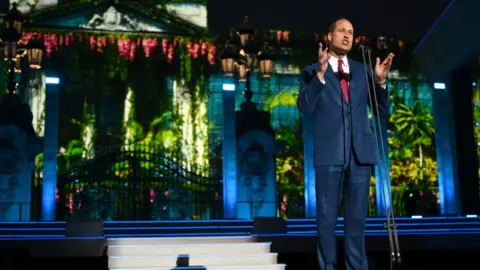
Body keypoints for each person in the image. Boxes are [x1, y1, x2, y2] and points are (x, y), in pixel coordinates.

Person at [297, 18, 394, 270]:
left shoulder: (363, 71)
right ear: (329, 36)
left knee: (356, 222)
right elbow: (305, 106)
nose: (347, 36)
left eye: (351, 32)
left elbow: (382, 111)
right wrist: (319, 75)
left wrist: (381, 82)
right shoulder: (311, 70)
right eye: (342, 31)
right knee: (326, 221)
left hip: (360, 155)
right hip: (329, 155)